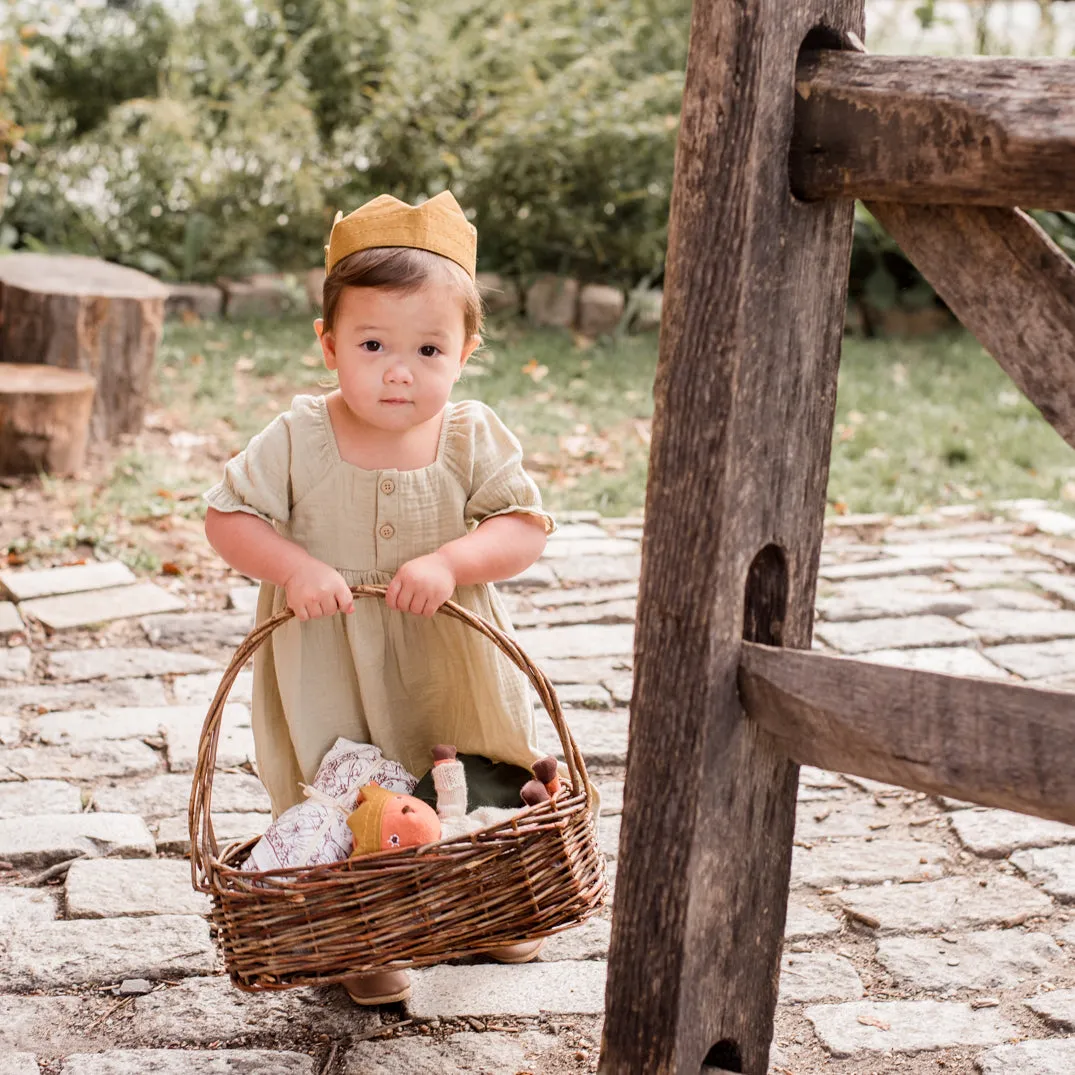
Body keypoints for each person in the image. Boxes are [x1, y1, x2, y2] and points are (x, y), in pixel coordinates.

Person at [203, 191, 555, 1005]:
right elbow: (226, 517)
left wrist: (453, 558)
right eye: (373, 343)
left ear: (466, 349)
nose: (400, 369)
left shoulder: (471, 435)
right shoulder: (297, 435)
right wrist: (291, 567)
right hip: (329, 653)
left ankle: (488, 899)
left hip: (445, 651)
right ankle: (366, 935)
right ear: (329, 346)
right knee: (345, 792)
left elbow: (525, 526)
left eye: (429, 347)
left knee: (474, 762)